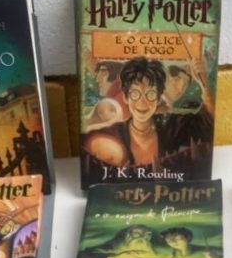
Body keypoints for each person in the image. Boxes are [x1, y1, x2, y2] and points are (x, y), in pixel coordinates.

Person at [83, 57, 213, 177]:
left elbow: (209, 121)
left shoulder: (174, 126)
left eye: (150, 94)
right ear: (126, 98)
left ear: (158, 99)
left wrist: (204, 86)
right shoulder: (113, 133)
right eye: (135, 93)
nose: (142, 102)